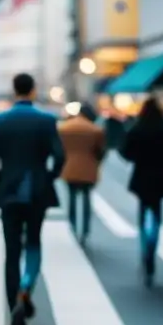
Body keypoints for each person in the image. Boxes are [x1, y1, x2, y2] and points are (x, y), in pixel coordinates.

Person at [0, 73, 65, 325]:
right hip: (37, 190)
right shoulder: (47, 120)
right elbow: (60, 157)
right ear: (33, 89)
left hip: (9, 192)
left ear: (13, 89)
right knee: (34, 242)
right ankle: (26, 286)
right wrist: (48, 178)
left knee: (11, 250)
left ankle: (13, 309)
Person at [120, 98, 163, 286]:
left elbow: (125, 151)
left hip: (141, 174)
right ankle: (152, 247)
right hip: (161, 173)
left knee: (142, 212)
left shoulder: (137, 129)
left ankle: (144, 249)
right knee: (156, 213)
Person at [58, 103, 106, 245]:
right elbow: (100, 151)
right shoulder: (95, 130)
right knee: (86, 200)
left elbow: (59, 149)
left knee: (72, 199)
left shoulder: (64, 128)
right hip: (88, 168)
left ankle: (72, 227)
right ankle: (85, 231)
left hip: (69, 167)